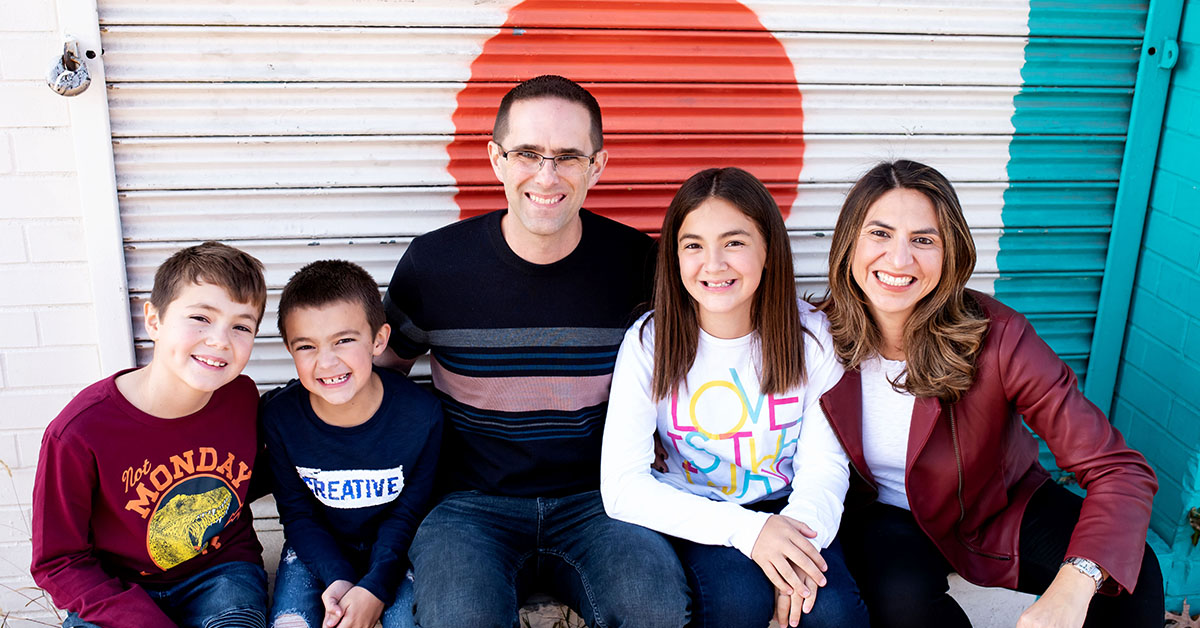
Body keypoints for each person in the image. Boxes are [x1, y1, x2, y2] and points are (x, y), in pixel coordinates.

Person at [382, 74, 688, 627]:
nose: (546, 176)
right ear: (497, 158)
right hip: (469, 506)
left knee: (656, 611)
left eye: (568, 156)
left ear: (597, 165)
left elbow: (685, 369)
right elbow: (384, 381)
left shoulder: (638, 265)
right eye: (527, 153)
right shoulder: (434, 266)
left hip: (603, 500)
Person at [819, 160, 1164, 628]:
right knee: (901, 601)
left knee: (1133, 572)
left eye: (924, 239)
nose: (899, 260)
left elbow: (1119, 469)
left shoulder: (999, 338)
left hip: (996, 506)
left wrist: (1075, 582)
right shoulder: (814, 338)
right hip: (880, 518)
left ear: (951, 254)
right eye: (879, 234)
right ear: (848, 244)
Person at [600, 167, 869, 628]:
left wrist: (797, 549)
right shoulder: (649, 342)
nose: (714, 264)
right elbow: (622, 486)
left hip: (792, 509)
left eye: (735, 242)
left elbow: (825, 465)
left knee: (832, 614)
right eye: (693, 245)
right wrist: (750, 532)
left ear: (768, 249)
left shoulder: (814, 339)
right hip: (700, 512)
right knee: (736, 605)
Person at [30, 241, 270, 628]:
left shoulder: (241, 397)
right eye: (201, 318)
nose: (220, 340)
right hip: (116, 589)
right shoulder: (79, 433)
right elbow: (57, 560)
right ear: (154, 321)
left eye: (241, 326)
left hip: (220, 573)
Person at [262, 260, 442, 628]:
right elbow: (298, 515)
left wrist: (374, 587)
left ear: (379, 339)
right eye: (307, 346)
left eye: (344, 340)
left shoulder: (422, 416)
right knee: (289, 623)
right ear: (289, 350)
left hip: (398, 552)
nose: (327, 362)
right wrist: (339, 578)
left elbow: (411, 515)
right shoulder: (280, 418)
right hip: (314, 550)